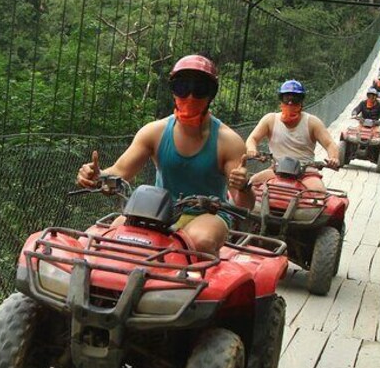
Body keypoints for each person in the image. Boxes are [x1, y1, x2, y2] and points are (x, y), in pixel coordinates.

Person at [76, 53, 252, 254]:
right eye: (182, 88)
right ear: (173, 92)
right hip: (157, 212)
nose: (190, 97)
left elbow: (244, 204)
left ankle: (197, 282)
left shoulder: (228, 141)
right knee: (116, 233)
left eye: (200, 89)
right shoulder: (154, 132)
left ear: (211, 94)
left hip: (207, 214)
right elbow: (119, 172)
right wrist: (97, 177)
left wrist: (244, 186)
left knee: (199, 241)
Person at [245, 80, 340, 192]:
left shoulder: (312, 122)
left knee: (319, 194)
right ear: (281, 100)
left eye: (295, 99)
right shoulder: (270, 120)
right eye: (287, 99)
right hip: (276, 169)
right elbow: (252, 138)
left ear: (301, 102)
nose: (290, 103)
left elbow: (329, 143)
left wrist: (333, 158)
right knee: (250, 185)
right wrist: (252, 149)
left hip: (306, 172)